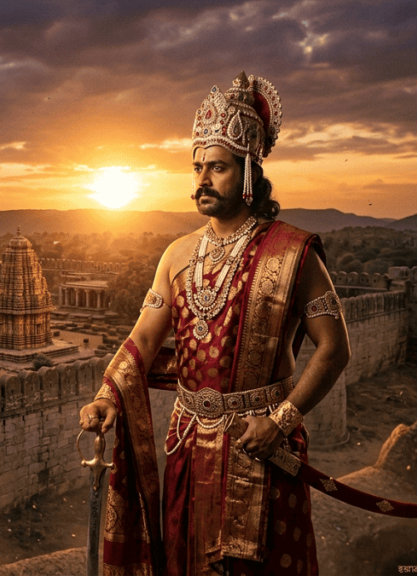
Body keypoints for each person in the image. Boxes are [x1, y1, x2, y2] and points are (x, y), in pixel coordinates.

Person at [79, 72, 350, 576]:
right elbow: (144, 337)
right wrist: (107, 396)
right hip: (188, 445)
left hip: (261, 442)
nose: (202, 180)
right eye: (197, 167)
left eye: (217, 167)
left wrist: (281, 422)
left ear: (249, 172)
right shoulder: (177, 255)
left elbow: (334, 348)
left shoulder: (294, 253)